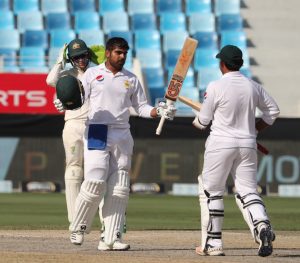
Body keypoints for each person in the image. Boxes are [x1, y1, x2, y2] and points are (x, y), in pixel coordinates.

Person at [69, 37, 176, 251]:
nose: (122, 56)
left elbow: (142, 107)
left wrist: (158, 111)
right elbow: (78, 99)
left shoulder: (132, 79)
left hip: (122, 132)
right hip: (97, 129)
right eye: (118, 52)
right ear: (108, 53)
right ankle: (78, 227)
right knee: (95, 181)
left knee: (119, 187)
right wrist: (65, 101)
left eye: (125, 53)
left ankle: (111, 237)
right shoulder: (92, 74)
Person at [192, 45, 279, 257]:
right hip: (247, 144)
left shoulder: (215, 86)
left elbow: (203, 122)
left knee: (212, 191)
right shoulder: (252, 86)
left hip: (220, 143)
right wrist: (255, 129)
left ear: (222, 64)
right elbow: (273, 111)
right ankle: (262, 225)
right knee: (248, 190)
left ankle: (213, 243)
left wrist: (197, 119)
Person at [46, 39, 126, 249]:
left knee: (98, 177)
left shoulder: (96, 72)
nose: (80, 60)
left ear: (88, 55)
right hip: (72, 124)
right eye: (75, 57)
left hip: (94, 126)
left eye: (83, 56)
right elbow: (50, 81)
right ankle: (76, 223)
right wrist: (59, 62)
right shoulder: (66, 75)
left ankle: (106, 230)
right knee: (74, 170)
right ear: (70, 59)